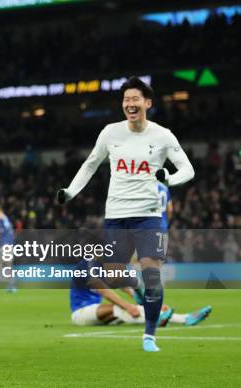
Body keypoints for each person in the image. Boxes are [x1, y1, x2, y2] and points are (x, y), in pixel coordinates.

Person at [57, 76, 195, 352]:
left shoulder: (162, 135)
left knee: (152, 274)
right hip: (116, 214)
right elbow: (90, 165)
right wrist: (70, 192)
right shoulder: (110, 132)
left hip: (149, 215)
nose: (130, 104)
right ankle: (142, 293)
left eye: (135, 99)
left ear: (147, 103)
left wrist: (168, 178)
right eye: (126, 100)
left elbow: (188, 170)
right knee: (115, 272)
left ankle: (149, 336)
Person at [70, 260, 211, 326]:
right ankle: (161, 319)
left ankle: (184, 318)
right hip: (80, 313)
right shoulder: (85, 265)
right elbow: (103, 290)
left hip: (96, 312)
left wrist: (144, 300)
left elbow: (120, 284)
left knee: (136, 310)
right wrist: (128, 306)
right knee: (121, 309)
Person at [0, 206, 16, 291]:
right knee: (5, 266)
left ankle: (10, 284)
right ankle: (10, 285)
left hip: (6, 247)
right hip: (7, 246)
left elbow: (7, 235)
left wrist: (1, 245)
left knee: (1, 265)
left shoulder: (4, 221)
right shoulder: (4, 221)